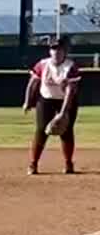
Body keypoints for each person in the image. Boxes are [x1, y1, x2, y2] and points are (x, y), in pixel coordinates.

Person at [24, 37, 82, 175]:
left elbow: (70, 92)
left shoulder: (70, 66)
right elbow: (32, 84)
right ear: (50, 51)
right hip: (46, 99)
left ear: (65, 51)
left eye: (59, 49)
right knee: (41, 130)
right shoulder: (43, 64)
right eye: (53, 49)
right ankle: (33, 164)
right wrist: (27, 101)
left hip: (66, 101)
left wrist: (63, 113)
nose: (56, 52)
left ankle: (68, 163)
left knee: (66, 131)